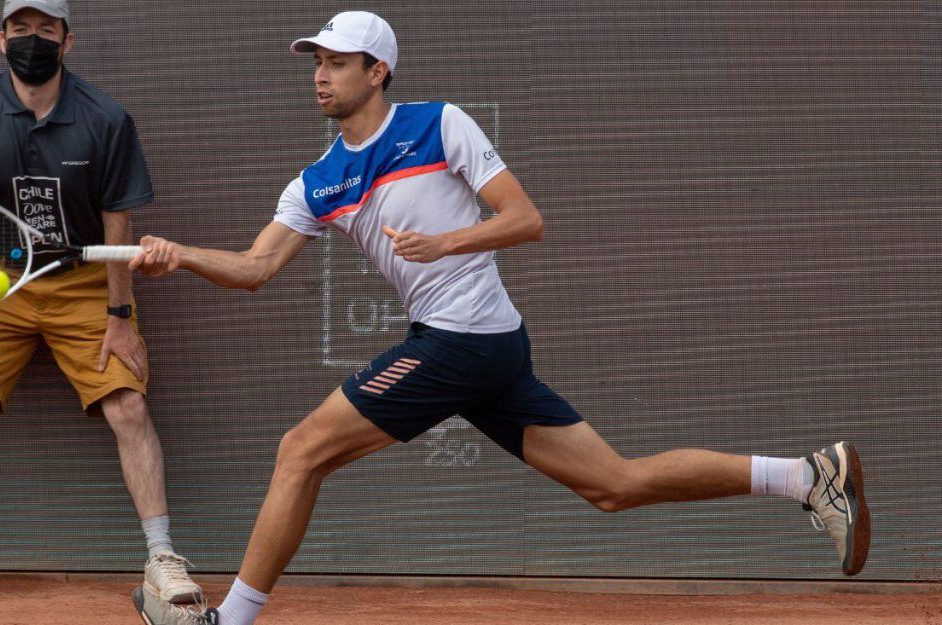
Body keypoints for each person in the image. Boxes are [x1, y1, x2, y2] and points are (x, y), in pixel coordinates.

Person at [125, 11, 870, 625]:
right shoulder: (317, 181)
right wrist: (179, 253)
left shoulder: (439, 124)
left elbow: (525, 217)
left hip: (465, 337)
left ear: (376, 70)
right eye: (315, 61)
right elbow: (256, 267)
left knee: (300, 449)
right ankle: (808, 476)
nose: (320, 73)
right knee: (614, 483)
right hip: (484, 350)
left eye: (337, 61)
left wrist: (446, 241)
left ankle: (229, 621)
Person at [0, 0, 200, 606]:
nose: (32, 39)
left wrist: (119, 317)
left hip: (83, 283)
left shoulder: (104, 117)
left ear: (67, 41)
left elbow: (118, 226)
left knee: (128, 405)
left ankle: (163, 558)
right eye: (20, 29)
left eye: (45, 30)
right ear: (1, 40)